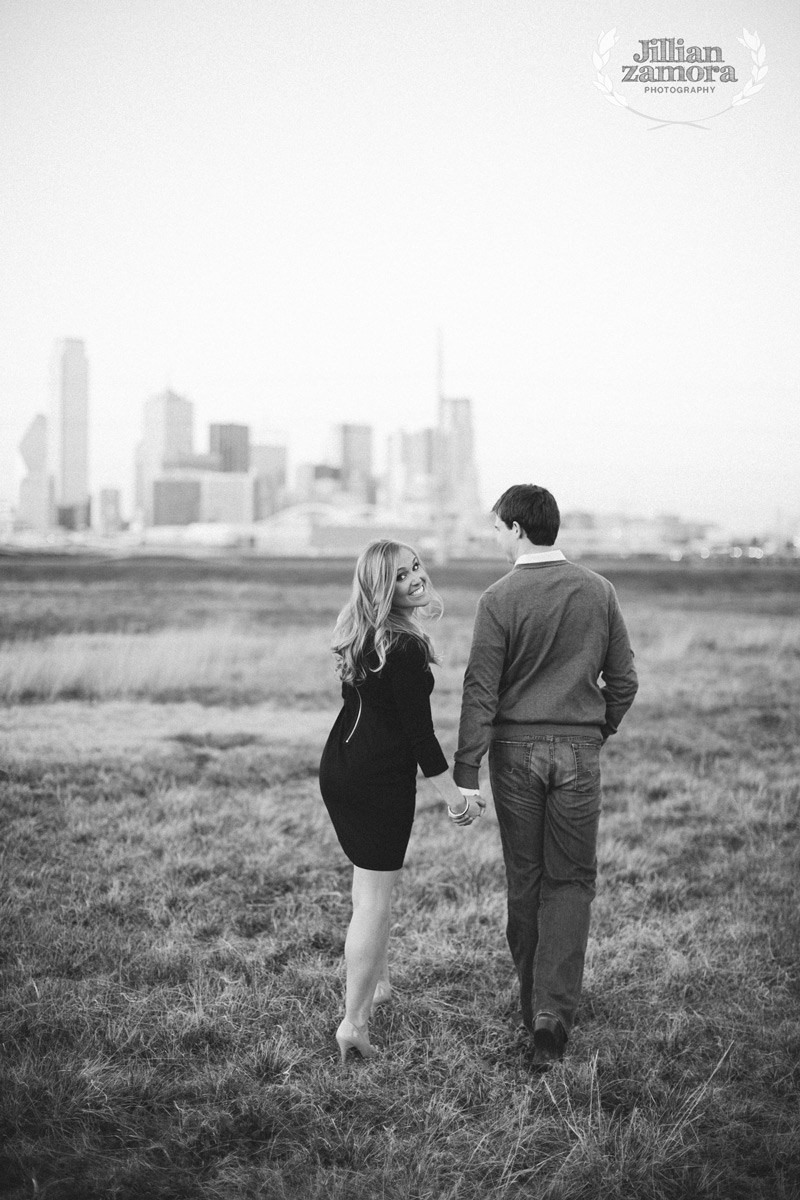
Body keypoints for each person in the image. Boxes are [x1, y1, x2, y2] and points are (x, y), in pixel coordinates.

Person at [453, 485, 638, 1069]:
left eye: (497, 529)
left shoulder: (498, 598)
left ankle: (531, 1004)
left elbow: (480, 690)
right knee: (573, 880)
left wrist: (466, 770)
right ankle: (552, 1013)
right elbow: (625, 682)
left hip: (514, 755)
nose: (497, 539)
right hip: (579, 752)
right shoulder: (599, 591)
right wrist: (594, 729)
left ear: (515, 529)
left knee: (525, 877)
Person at [319, 539, 484, 1064]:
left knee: (366, 886)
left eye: (414, 567)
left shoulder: (367, 635)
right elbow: (421, 739)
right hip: (377, 780)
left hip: (341, 769)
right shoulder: (405, 648)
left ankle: (379, 983)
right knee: (374, 899)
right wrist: (456, 800)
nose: (414, 578)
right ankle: (354, 1023)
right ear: (379, 588)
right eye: (398, 576)